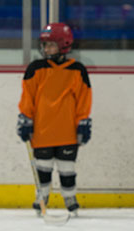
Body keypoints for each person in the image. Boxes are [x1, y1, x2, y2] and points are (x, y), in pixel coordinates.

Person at [17, 22, 92, 216]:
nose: (46, 48)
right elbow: (28, 98)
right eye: (44, 45)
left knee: (68, 170)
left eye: (50, 45)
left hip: (67, 132)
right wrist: (25, 118)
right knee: (43, 170)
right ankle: (42, 197)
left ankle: (70, 199)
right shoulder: (35, 68)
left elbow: (84, 100)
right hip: (42, 132)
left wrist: (83, 122)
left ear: (64, 45)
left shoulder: (77, 70)